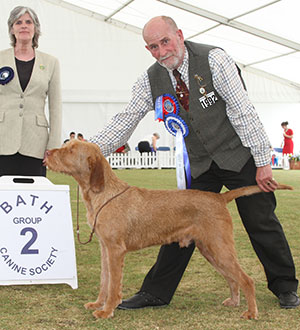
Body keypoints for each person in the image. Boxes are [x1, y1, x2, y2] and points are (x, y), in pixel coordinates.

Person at [89, 16, 299, 309]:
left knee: (261, 221)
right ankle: (156, 292)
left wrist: (263, 161)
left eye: (165, 42)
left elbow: (242, 110)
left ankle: (285, 287)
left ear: (179, 35)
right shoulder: (149, 80)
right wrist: (88, 151)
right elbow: (125, 120)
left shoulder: (215, 60)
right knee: (174, 222)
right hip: (200, 164)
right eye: (152, 47)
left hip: (237, 155)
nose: (161, 52)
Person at [0, 6, 62, 177]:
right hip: (3, 142)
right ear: (12, 29)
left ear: (36, 28)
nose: (24, 26)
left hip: (36, 144)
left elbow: (56, 108)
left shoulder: (51, 62)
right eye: (18, 22)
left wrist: (53, 146)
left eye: (29, 22)